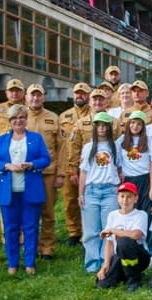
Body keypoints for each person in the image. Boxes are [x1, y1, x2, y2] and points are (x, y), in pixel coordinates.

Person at [0, 104, 51, 276]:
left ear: (26, 119)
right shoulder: (1, 140)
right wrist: (6, 166)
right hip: (9, 190)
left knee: (30, 226)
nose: (18, 121)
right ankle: (12, 263)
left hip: (30, 188)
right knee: (10, 228)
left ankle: (30, 262)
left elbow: (45, 159)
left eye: (22, 118)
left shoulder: (36, 138)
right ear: (10, 121)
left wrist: (31, 165)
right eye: (14, 118)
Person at [25, 83, 66, 260]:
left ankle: (47, 248)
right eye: (32, 95)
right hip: (25, 174)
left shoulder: (53, 118)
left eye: (39, 95)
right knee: (28, 213)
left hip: (48, 173)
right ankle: (30, 247)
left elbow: (62, 148)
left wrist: (60, 173)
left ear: (44, 97)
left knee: (48, 213)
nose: (35, 98)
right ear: (26, 97)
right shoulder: (20, 116)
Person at [78, 112, 122, 274]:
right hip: (92, 191)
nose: (102, 129)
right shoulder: (88, 147)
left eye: (105, 126)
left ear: (109, 128)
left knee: (108, 228)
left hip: (110, 190)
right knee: (91, 230)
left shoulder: (115, 146)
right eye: (99, 126)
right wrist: (81, 194)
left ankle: (106, 261)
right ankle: (92, 262)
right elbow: (83, 172)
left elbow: (119, 169)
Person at [96, 182, 150, 291]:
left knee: (125, 242)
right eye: (122, 196)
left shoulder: (141, 214)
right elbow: (110, 243)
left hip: (139, 256)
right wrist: (105, 265)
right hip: (119, 256)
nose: (125, 200)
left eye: (129, 197)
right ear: (117, 198)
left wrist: (112, 230)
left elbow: (136, 235)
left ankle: (134, 280)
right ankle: (124, 274)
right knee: (103, 284)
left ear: (136, 198)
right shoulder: (112, 215)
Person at [59, 82, 92, 246]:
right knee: (70, 200)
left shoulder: (96, 115)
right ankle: (74, 231)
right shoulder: (64, 116)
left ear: (89, 95)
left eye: (83, 93)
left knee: (88, 199)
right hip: (68, 163)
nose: (80, 96)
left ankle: (88, 230)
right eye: (77, 93)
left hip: (89, 165)